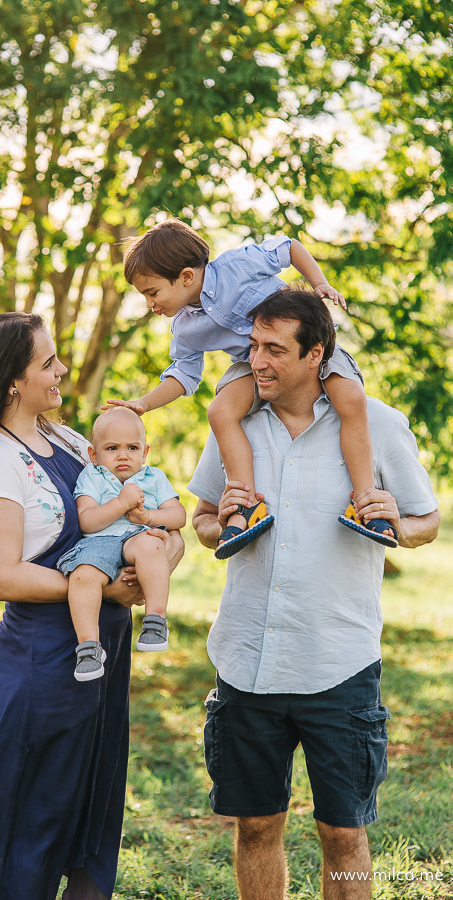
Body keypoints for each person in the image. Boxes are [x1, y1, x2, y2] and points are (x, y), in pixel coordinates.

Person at [188, 288, 440, 900]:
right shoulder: (235, 422)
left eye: (274, 349)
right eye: (252, 347)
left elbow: (426, 521)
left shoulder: (377, 424)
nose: (258, 362)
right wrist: (219, 518)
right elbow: (200, 521)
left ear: (315, 354)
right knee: (255, 826)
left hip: (338, 664)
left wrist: (397, 525)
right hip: (247, 660)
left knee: (344, 835)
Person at [0, 312, 184, 900]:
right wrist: (103, 589)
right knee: (36, 806)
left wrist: (159, 556)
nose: (62, 369)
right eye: (48, 362)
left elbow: (151, 516)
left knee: (82, 796)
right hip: (44, 655)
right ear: (13, 381)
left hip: (103, 649)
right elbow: (1, 575)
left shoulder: (69, 440)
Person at [105, 219, 387, 562]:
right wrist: (144, 403)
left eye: (152, 293)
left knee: (351, 398)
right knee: (220, 411)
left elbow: (288, 248)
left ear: (186, 277)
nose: (150, 304)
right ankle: (247, 504)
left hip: (302, 349)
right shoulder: (186, 328)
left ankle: (366, 501)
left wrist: (320, 283)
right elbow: (183, 375)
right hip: (253, 367)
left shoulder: (236, 266)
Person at [57, 407, 186, 681]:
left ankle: (155, 620)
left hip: (137, 536)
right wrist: (121, 504)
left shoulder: (154, 477)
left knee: (152, 546)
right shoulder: (92, 476)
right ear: (94, 454)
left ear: (145, 452)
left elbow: (178, 516)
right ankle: (89, 646)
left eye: (132, 447)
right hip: (101, 540)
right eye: (112, 448)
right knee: (82, 575)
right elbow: (87, 521)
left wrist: (148, 517)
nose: (123, 455)